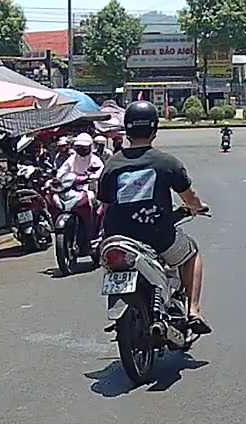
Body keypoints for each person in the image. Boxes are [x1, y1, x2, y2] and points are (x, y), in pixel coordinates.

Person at [97, 101, 211, 335]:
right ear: (154, 130)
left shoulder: (111, 165)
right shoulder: (166, 162)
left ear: (127, 131)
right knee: (192, 253)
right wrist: (198, 208)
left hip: (116, 238)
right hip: (158, 237)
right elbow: (190, 198)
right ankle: (194, 311)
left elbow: (105, 205)